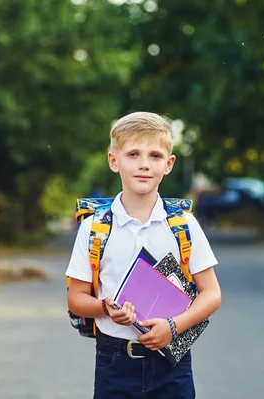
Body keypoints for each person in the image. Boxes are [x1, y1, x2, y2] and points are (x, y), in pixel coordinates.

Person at [66, 111, 222, 398]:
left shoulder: (183, 226)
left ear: (169, 164)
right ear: (114, 161)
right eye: (133, 154)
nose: (144, 165)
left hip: (171, 366)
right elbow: (75, 298)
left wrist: (173, 327)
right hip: (114, 363)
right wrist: (104, 308)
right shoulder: (95, 228)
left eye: (155, 156)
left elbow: (211, 293)